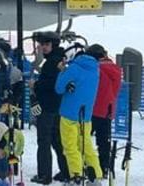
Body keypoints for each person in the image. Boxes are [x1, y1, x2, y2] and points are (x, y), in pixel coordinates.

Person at [56, 42, 102, 185]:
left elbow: (58, 88)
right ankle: (96, 175)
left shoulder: (74, 68)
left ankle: (76, 175)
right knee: (86, 145)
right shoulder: (95, 70)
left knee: (70, 146)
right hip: (86, 115)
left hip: (69, 113)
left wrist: (62, 71)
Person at [30, 31, 70, 184]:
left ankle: (44, 174)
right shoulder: (60, 60)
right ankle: (66, 171)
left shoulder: (50, 63)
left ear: (53, 45)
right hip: (58, 106)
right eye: (42, 44)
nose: (43, 47)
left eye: (46, 44)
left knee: (44, 141)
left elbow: (50, 85)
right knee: (57, 140)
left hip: (47, 107)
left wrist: (35, 85)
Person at [86, 44, 122, 179]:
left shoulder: (96, 69)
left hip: (93, 108)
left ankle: (89, 166)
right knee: (103, 141)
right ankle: (104, 167)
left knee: (85, 139)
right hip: (108, 109)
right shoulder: (115, 69)